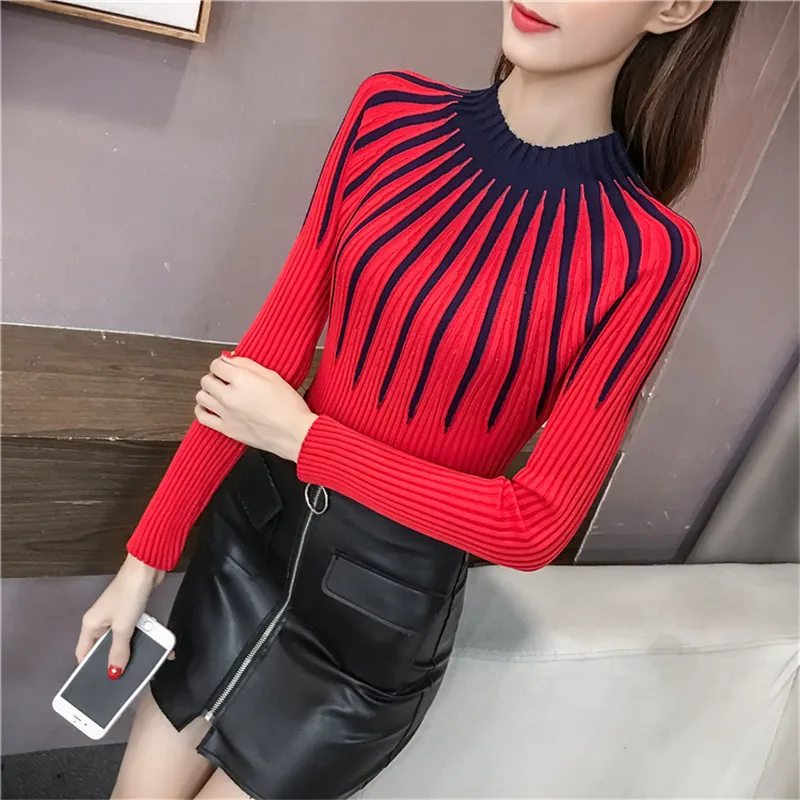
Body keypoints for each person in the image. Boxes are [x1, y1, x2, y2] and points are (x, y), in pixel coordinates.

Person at [76, 2, 742, 797]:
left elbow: (534, 524)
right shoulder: (387, 115)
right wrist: (144, 560)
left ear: (675, 7)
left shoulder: (646, 253)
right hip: (250, 541)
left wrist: (304, 439)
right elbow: (260, 365)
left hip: (370, 622)